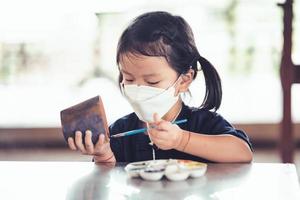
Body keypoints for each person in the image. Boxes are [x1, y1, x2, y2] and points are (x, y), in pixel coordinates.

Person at [67, 11, 253, 163]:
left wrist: (181, 140)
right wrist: (103, 156)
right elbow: (107, 185)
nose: (139, 88)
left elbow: (243, 153)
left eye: (152, 82)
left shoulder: (204, 124)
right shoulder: (118, 132)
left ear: (185, 80)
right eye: (129, 79)